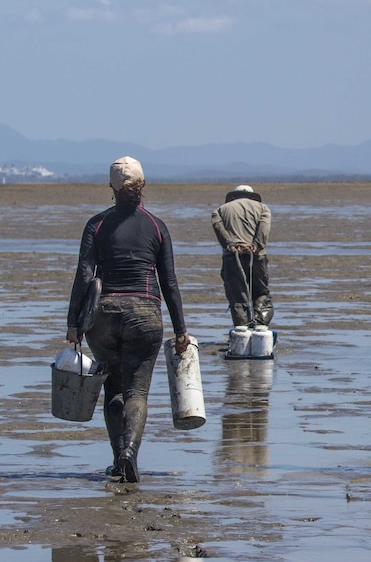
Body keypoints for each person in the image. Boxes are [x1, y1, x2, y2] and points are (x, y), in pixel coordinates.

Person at [66, 156, 190, 483]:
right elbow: (170, 283)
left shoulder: (97, 225)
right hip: (146, 315)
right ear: (143, 185)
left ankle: (118, 458)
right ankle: (130, 453)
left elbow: (83, 276)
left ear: (111, 187)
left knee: (113, 391)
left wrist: (73, 325)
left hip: (103, 315)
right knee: (137, 393)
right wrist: (181, 331)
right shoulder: (156, 226)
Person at [211, 185, 273, 328]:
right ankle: (260, 326)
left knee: (237, 295)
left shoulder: (219, 210)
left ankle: (241, 330)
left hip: (232, 256)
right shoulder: (263, 208)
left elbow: (220, 231)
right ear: (252, 196)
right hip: (257, 256)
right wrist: (256, 245)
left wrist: (231, 244)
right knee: (261, 293)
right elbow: (264, 230)